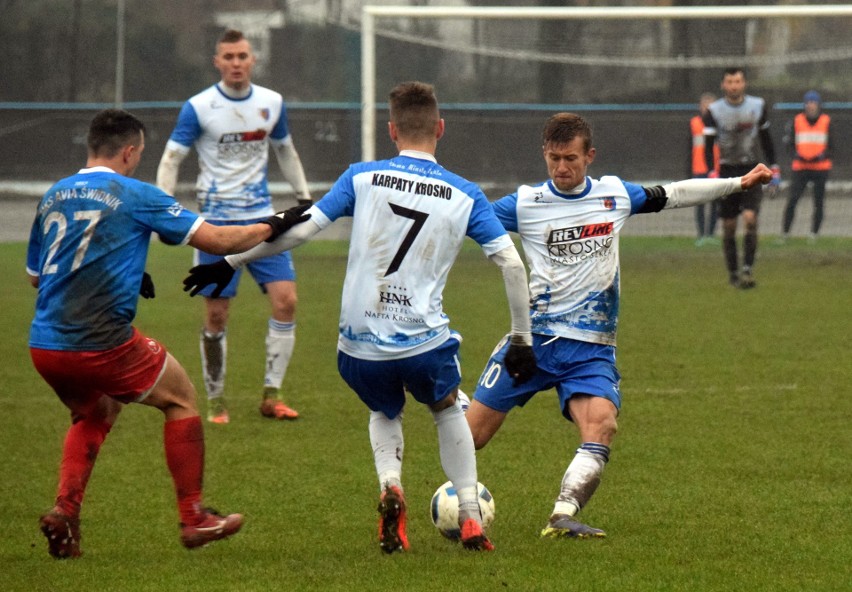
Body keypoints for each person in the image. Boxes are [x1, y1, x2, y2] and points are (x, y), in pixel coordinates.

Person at [183, 81, 538, 553]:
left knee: (383, 408)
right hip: (422, 340)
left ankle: (391, 486)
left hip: (357, 344)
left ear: (391, 130)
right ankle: (471, 517)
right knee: (448, 406)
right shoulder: (465, 194)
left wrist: (227, 262)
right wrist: (521, 338)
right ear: (441, 128)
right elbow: (512, 264)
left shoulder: (361, 177)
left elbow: (297, 231)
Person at [464, 113, 771, 540]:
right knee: (471, 438)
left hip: (591, 349)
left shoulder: (614, 195)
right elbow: (466, 219)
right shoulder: (524, 203)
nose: (561, 168)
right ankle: (450, 398)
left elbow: (676, 193)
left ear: (589, 156)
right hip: (534, 342)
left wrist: (737, 184)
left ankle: (563, 515)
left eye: (570, 158)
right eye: (553, 158)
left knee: (602, 424)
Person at [26, 109, 310, 558]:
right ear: (130, 150)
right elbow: (218, 241)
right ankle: (194, 517)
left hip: (45, 345)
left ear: (91, 146)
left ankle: (65, 514)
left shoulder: (54, 195)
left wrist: (121, 274)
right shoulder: (136, 193)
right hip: (100, 340)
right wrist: (275, 223)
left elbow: (38, 277)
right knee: (179, 398)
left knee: (95, 413)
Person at [156, 29, 313, 424]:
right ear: (217, 61)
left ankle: (272, 395)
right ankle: (216, 399)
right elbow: (172, 158)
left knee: (287, 301)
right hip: (216, 227)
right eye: (229, 57)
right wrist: (163, 209)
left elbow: (285, 151)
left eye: (242, 55)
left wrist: (304, 197)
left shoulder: (271, 103)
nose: (237, 63)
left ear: (252, 59)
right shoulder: (198, 106)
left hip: (263, 222)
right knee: (217, 315)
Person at [703, 67, 779, 289]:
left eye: (737, 81)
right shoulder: (714, 111)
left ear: (744, 83)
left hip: (752, 170)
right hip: (727, 171)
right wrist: (711, 171)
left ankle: (747, 269)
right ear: (723, 85)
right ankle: (733, 273)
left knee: (750, 219)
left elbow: (766, 138)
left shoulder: (757, 106)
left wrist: (774, 166)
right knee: (728, 226)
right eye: (730, 81)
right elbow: (709, 146)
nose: (734, 85)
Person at [780, 90, 832, 243]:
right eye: (808, 102)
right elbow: (789, 145)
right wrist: (796, 155)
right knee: (792, 200)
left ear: (818, 104)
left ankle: (814, 233)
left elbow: (833, 146)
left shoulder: (826, 121)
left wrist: (823, 155)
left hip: (820, 168)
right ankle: (785, 233)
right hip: (801, 168)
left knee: (819, 202)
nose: (811, 106)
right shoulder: (797, 121)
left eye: (814, 102)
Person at [690, 92, 720, 245]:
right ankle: (701, 235)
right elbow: (689, 148)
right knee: (700, 204)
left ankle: (711, 234)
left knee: (715, 204)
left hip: (715, 170)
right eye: (705, 105)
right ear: (700, 107)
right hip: (699, 169)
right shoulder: (694, 123)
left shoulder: (720, 123)